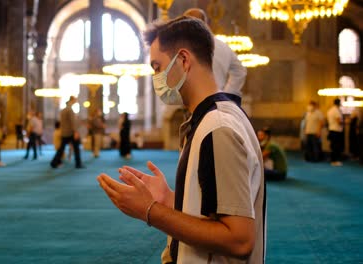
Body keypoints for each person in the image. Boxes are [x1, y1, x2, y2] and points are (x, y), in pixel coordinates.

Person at [97, 17, 265, 263]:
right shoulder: (210, 119)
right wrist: (169, 200)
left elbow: (239, 240)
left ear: (184, 60)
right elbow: (214, 208)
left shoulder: (218, 129)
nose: (156, 77)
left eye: (157, 67)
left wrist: (151, 211)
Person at [183, 8, 246, 105]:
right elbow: (240, 71)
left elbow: (240, 71)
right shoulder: (222, 46)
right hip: (217, 102)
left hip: (200, 103)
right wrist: (226, 94)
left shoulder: (187, 48)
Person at [50, 96, 84, 169]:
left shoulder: (63, 110)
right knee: (76, 148)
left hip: (64, 132)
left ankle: (54, 162)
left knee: (61, 148)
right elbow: (72, 122)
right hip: (70, 132)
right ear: (72, 100)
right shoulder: (70, 110)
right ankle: (78, 163)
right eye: (75, 100)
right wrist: (75, 131)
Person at [327, 98, 344, 166]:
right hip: (336, 131)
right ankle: (335, 160)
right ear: (339, 103)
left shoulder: (330, 110)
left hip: (331, 130)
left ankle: (333, 160)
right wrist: (344, 122)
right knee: (336, 147)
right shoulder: (336, 110)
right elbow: (339, 121)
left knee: (333, 146)